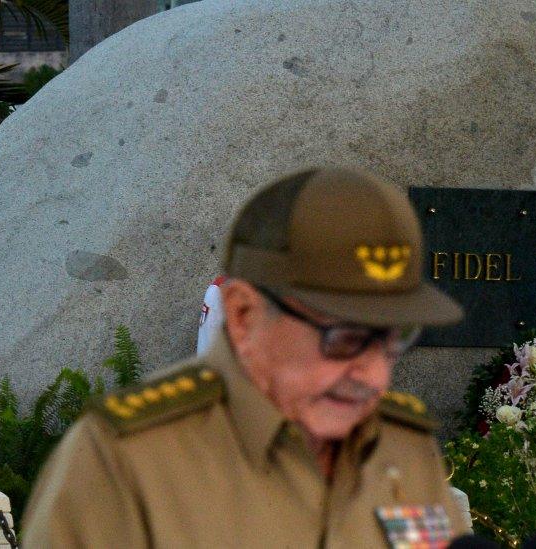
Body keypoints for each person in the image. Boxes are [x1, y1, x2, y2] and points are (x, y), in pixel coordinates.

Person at [24, 167, 468, 547]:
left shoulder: (404, 447)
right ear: (242, 315)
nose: (374, 376)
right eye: (345, 338)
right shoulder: (124, 461)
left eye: (393, 338)